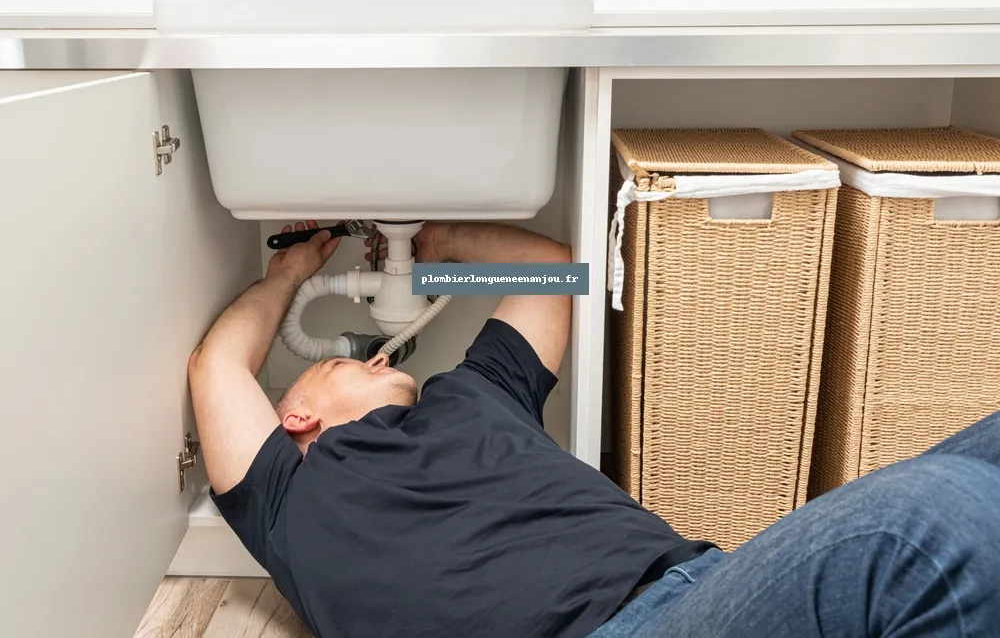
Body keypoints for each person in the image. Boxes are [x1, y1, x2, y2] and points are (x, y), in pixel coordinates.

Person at [188, 219, 1000, 638]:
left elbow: (556, 270)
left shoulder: (471, 392)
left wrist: (438, 247)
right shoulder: (287, 498)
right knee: (928, 528)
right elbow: (217, 365)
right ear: (296, 414)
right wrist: (291, 271)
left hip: (707, 584)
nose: (373, 355)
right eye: (346, 362)